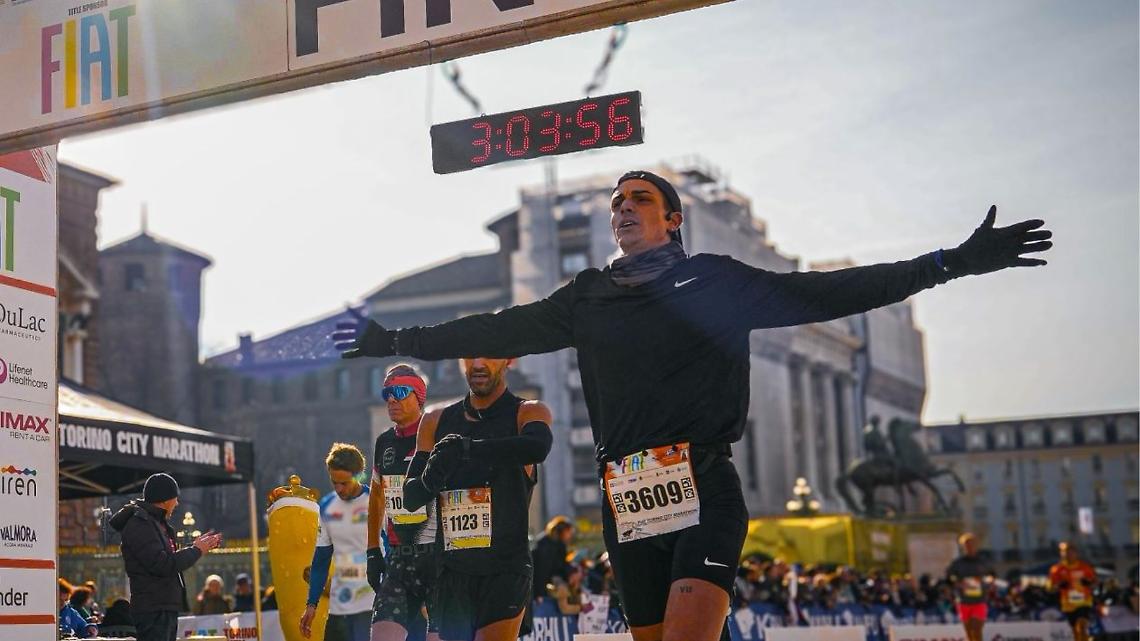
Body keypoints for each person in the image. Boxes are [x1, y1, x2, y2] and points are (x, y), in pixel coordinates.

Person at [334, 170, 1051, 641]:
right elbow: (495, 328)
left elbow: (828, 293)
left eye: (638, 197)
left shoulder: (714, 281)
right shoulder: (586, 297)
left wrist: (948, 262)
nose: (622, 207)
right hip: (626, 499)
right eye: (616, 200)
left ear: (672, 219)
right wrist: (391, 337)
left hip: (700, 482)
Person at [401, 357, 553, 641]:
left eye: (489, 354)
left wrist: (467, 449)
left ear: (509, 360)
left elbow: (537, 447)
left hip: (504, 567)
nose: (479, 363)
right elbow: (410, 498)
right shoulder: (435, 420)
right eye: (470, 356)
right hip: (452, 569)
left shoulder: (527, 412)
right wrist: (430, 477)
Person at [367, 364, 440, 641]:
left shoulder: (437, 433)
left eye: (399, 391)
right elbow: (377, 496)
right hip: (399, 557)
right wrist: (373, 550)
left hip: (437, 556)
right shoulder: (384, 442)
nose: (391, 399)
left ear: (418, 396)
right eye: (387, 393)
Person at [110, 472, 222, 641]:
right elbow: (163, 564)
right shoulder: (140, 524)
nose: (177, 503)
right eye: (174, 497)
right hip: (153, 611)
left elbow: (167, 560)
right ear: (163, 499)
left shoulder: (155, 523)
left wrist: (195, 548)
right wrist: (196, 550)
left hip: (161, 607)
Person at [300, 443, 374, 641]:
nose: (339, 489)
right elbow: (321, 561)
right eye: (334, 483)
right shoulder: (327, 506)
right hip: (340, 607)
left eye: (345, 483)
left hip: (372, 605)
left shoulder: (377, 501)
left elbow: (393, 551)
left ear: (358, 476)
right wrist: (311, 604)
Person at [946, 533, 995, 641]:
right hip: (963, 601)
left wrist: (988, 583)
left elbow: (992, 575)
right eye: (967, 545)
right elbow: (949, 578)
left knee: (976, 629)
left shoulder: (983, 562)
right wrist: (958, 583)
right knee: (969, 633)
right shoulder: (957, 563)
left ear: (977, 545)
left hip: (979, 600)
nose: (970, 547)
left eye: (972, 544)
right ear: (963, 547)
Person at [1049, 541, 1098, 641]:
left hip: (1084, 601)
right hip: (1068, 603)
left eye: (1071, 551)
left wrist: (1088, 583)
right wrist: (1059, 585)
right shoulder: (1057, 569)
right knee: (1075, 630)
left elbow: (1095, 583)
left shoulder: (1085, 567)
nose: (1068, 554)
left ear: (1076, 553)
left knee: (1081, 625)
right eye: (1065, 551)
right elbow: (1051, 588)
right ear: (1061, 553)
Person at [532, 516, 574, 603]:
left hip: (545, 586)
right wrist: (539, 594)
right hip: (538, 589)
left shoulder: (559, 545)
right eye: (568, 532)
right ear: (562, 531)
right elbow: (541, 572)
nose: (570, 535)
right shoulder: (545, 546)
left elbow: (561, 566)